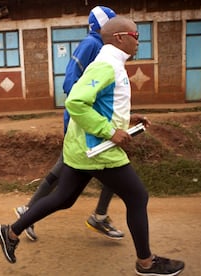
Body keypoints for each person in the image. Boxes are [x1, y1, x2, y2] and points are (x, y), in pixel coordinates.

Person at [0, 16, 185, 276]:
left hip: (82, 148)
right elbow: (75, 102)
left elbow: (99, 104)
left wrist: (127, 119)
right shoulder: (106, 65)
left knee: (63, 198)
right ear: (119, 38)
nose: (139, 42)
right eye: (136, 36)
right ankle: (146, 263)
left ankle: (11, 232)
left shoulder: (112, 64)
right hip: (97, 149)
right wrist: (109, 131)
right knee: (137, 196)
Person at [13, 6, 123, 241]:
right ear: (104, 27)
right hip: (84, 122)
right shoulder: (92, 45)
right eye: (115, 24)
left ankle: (29, 211)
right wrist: (89, 112)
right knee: (113, 167)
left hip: (95, 122)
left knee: (66, 169)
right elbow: (70, 84)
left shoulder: (104, 48)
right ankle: (98, 217)